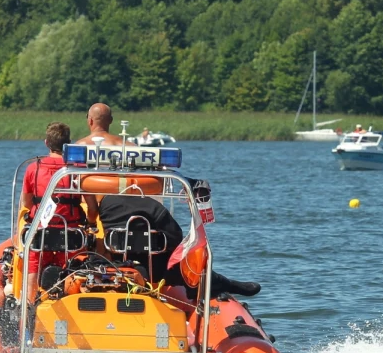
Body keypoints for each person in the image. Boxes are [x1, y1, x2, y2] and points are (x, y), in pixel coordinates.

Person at [95, 194, 259, 297]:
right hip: (156, 270)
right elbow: (175, 237)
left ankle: (220, 286)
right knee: (192, 271)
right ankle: (226, 285)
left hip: (115, 266)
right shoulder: (153, 207)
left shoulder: (104, 206)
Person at [22, 122, 98, 301]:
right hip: (70, 233)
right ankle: (70, 299)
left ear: (46, 143)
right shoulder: (78, 169)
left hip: (41, 231)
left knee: (33, 265)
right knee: (75, 264)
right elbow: (92, 207)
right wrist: (91, 223)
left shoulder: (33, 168)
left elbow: (26, 202)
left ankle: (29, 302)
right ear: (68, 144)